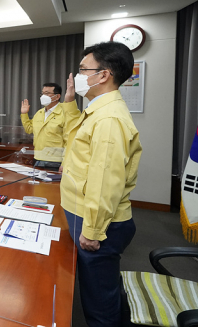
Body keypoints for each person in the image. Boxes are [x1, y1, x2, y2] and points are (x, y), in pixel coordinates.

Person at [60, 41, 142, 327]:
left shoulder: (108, 118)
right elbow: (75, 140)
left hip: (96, 221)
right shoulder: (97, 109)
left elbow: (105, 180)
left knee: (98, 303)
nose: (78, 76)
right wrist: (70, 102)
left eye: (84, 70)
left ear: (104, 74)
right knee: (103, 289)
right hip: (84, 213)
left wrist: (92, 230)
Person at [20, 82, 68, 169]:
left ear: (57, 96)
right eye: (42, 93)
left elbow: (68, 141)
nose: (43, 96)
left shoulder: (65, 113)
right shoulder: (39, 113)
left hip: (56, 161)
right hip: (38, 158)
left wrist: (65, 162)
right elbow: (29, 129)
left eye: (47, 93)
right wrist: (24, 114)